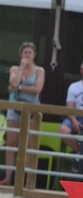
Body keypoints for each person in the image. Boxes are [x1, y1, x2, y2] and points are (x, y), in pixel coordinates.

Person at [2, 42, 44, 186]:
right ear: (21, 54)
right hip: (14, 109)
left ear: (34, 55)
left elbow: (37, 89)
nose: (27, 55)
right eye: (25, 52)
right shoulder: (15, 68)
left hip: (31, 110)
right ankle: (8, 177)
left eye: (30, 53)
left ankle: (27, 180)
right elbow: (12, 82)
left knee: (29, 145)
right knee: (11, 143)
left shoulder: (40, 70)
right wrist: (21, 68)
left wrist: (19, 87)